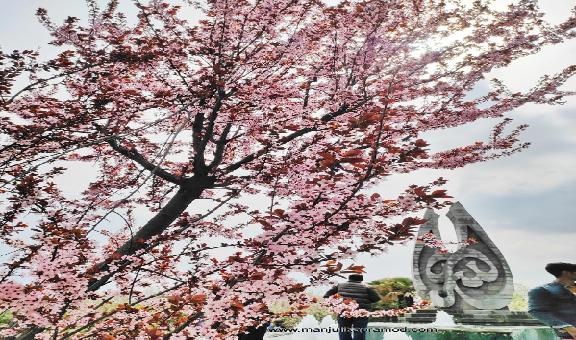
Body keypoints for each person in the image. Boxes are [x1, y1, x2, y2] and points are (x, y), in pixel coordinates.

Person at [324, 274, 381, 340]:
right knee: (360, 332)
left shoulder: (340, 286)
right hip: (361, 313)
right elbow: (376, 299)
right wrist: (365, 301)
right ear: (361, 280)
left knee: (344, 331)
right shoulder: (367, 287)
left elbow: (327, 295)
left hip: (344, 312)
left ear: (349, 278)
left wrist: (337, 303)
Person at [528, 262, 576, 339]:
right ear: (565, 273)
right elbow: (537, 312)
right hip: (570, 335)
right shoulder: (542, 290)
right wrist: (567, 327)